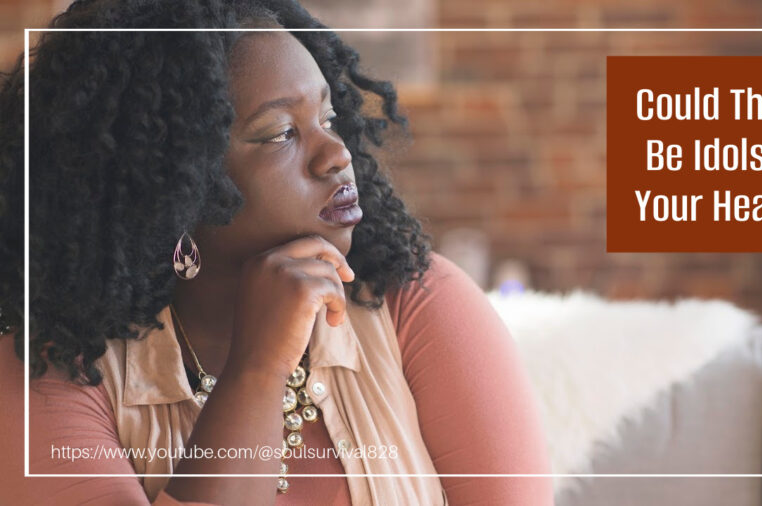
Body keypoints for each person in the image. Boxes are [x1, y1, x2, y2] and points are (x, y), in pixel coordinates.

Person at [0, 0, 553, 504]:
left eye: (329, 118)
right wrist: (259, 368)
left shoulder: (418, 304)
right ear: (168, 185)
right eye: (280, 134)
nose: (336, 155)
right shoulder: (49, 374)